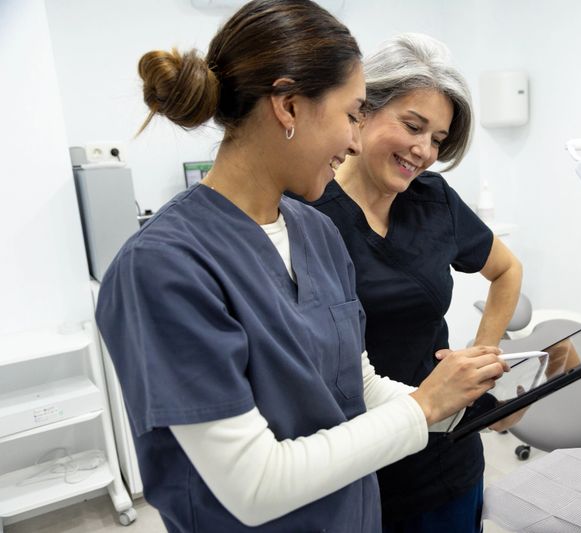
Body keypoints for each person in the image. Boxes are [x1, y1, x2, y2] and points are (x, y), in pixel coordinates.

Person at [94, 3, 507, 532]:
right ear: (288, 106)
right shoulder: (163, 269)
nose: (356, 140)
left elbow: (355, 383)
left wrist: (472, 404)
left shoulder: (315, 232)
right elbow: (254, 483)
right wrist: (424, 407)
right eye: (352, 114)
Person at [302, 34, 524, 532]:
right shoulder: (309, 213)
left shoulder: (433, 198)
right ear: (362, 112)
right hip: (358, 458)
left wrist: (479, 360)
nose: (423, 150)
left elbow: (507, 271)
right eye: (413, 126)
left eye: (438, 139)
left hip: (445, 452)